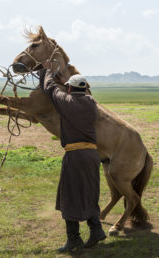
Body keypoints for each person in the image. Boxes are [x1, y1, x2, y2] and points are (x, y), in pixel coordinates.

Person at [39, 61, 106, 252]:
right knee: (89, 192)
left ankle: (74, 239)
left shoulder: (65, 101)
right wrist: (66, 81)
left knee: (70, 195)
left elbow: (49, 88)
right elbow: (79, 92)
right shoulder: (91, 102)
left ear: (69, 89)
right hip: (92, 155)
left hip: (75, 156)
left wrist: (46, 70)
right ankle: (96, 230)